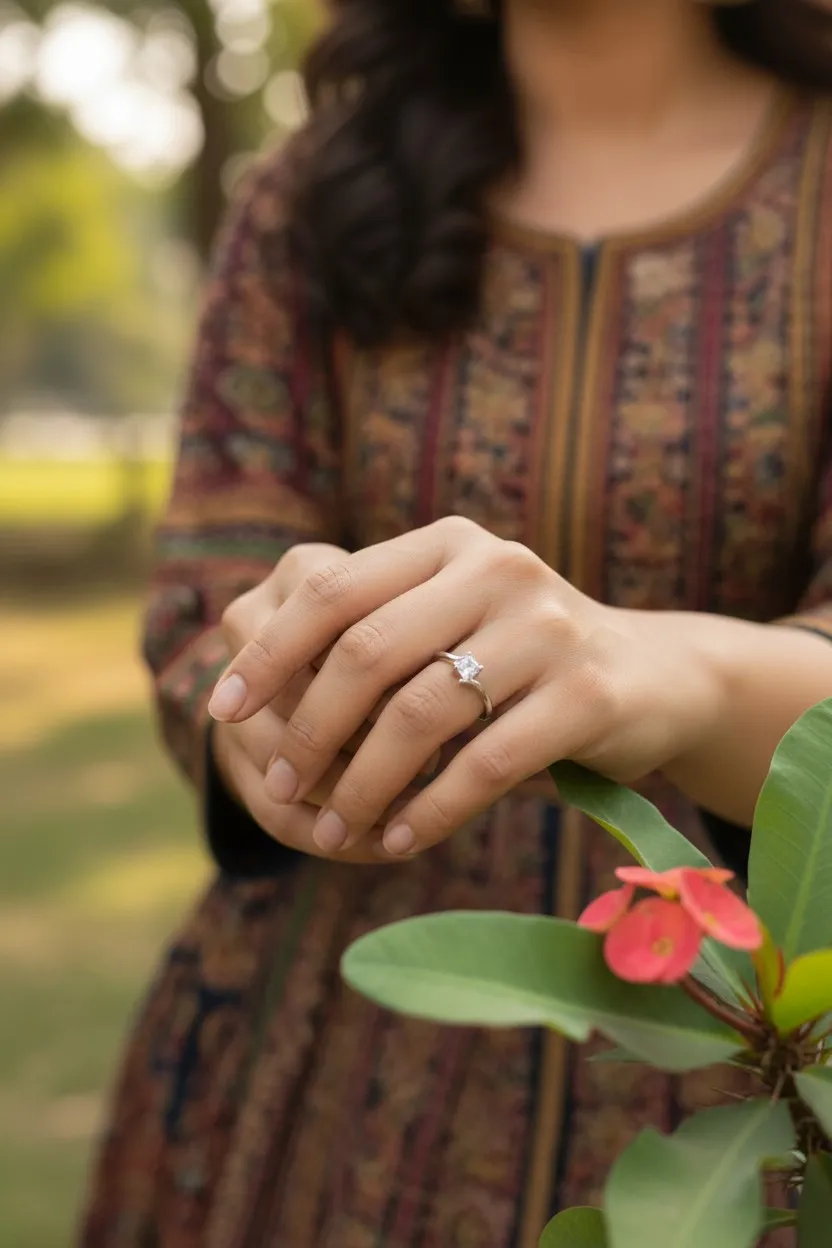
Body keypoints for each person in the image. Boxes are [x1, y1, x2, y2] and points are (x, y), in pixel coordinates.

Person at [82, 1, 832, 1244]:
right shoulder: (307, 195)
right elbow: (207, 600)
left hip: (744, 1079)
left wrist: (670, 674)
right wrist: (265, 695)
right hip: (312, 1063)